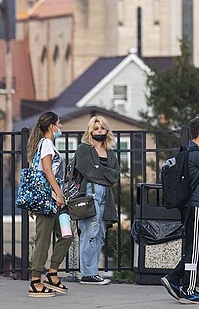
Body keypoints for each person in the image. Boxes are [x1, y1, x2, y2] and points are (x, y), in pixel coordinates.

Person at [161, 117, 199, 304]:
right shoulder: (196, 155)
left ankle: (173, 278)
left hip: (191, 207)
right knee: (194, 249)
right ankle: (188, 291)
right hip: (195, 207)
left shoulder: (189, 152)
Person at [27, 111, 73, 298]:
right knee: (43, 240)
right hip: (49, 198)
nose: (61, 127)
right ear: (52, 126)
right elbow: (46, 170)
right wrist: (59, 193)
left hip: (52, 199)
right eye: (59, 124)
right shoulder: (46, 144)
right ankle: (35, 282)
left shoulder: (47, 145)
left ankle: (52, 274)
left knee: (66, 234)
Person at [73, 115, 120, 285]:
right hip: (90, 195)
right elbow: (89, 172)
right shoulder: (84, 149)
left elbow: (115, 176)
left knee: (100, 234)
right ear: (90, 131)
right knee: (89, 233)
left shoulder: (110, 152)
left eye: (102, 128)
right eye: (96, 128)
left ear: (107, 131)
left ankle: (93, 271)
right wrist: (104, 173)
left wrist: (100, 170)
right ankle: (87, 273)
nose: (99, 131)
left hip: (106, 197)